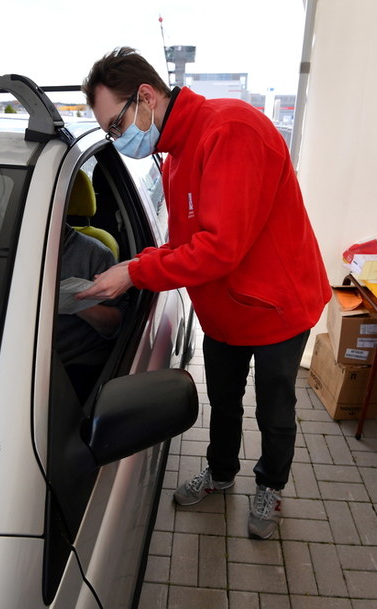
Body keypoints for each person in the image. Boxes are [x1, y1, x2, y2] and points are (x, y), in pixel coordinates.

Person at [76, 47, 331, 539]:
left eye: (115, 125)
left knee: (274, 406)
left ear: (145, 96)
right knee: (224, 398)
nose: (117, 138)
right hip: (223, 310)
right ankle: (220, 472)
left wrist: (136, 271)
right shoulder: (173, 155)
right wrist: (143, 265)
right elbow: (183, 242)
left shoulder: (230, 130)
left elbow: (219, 248)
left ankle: (270, 485)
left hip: (278, 307)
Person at [0, 224, 127, 400]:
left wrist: (76, 303)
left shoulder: (94, 254)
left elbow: (115, 325)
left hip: (76, 363)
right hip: (12, 364)